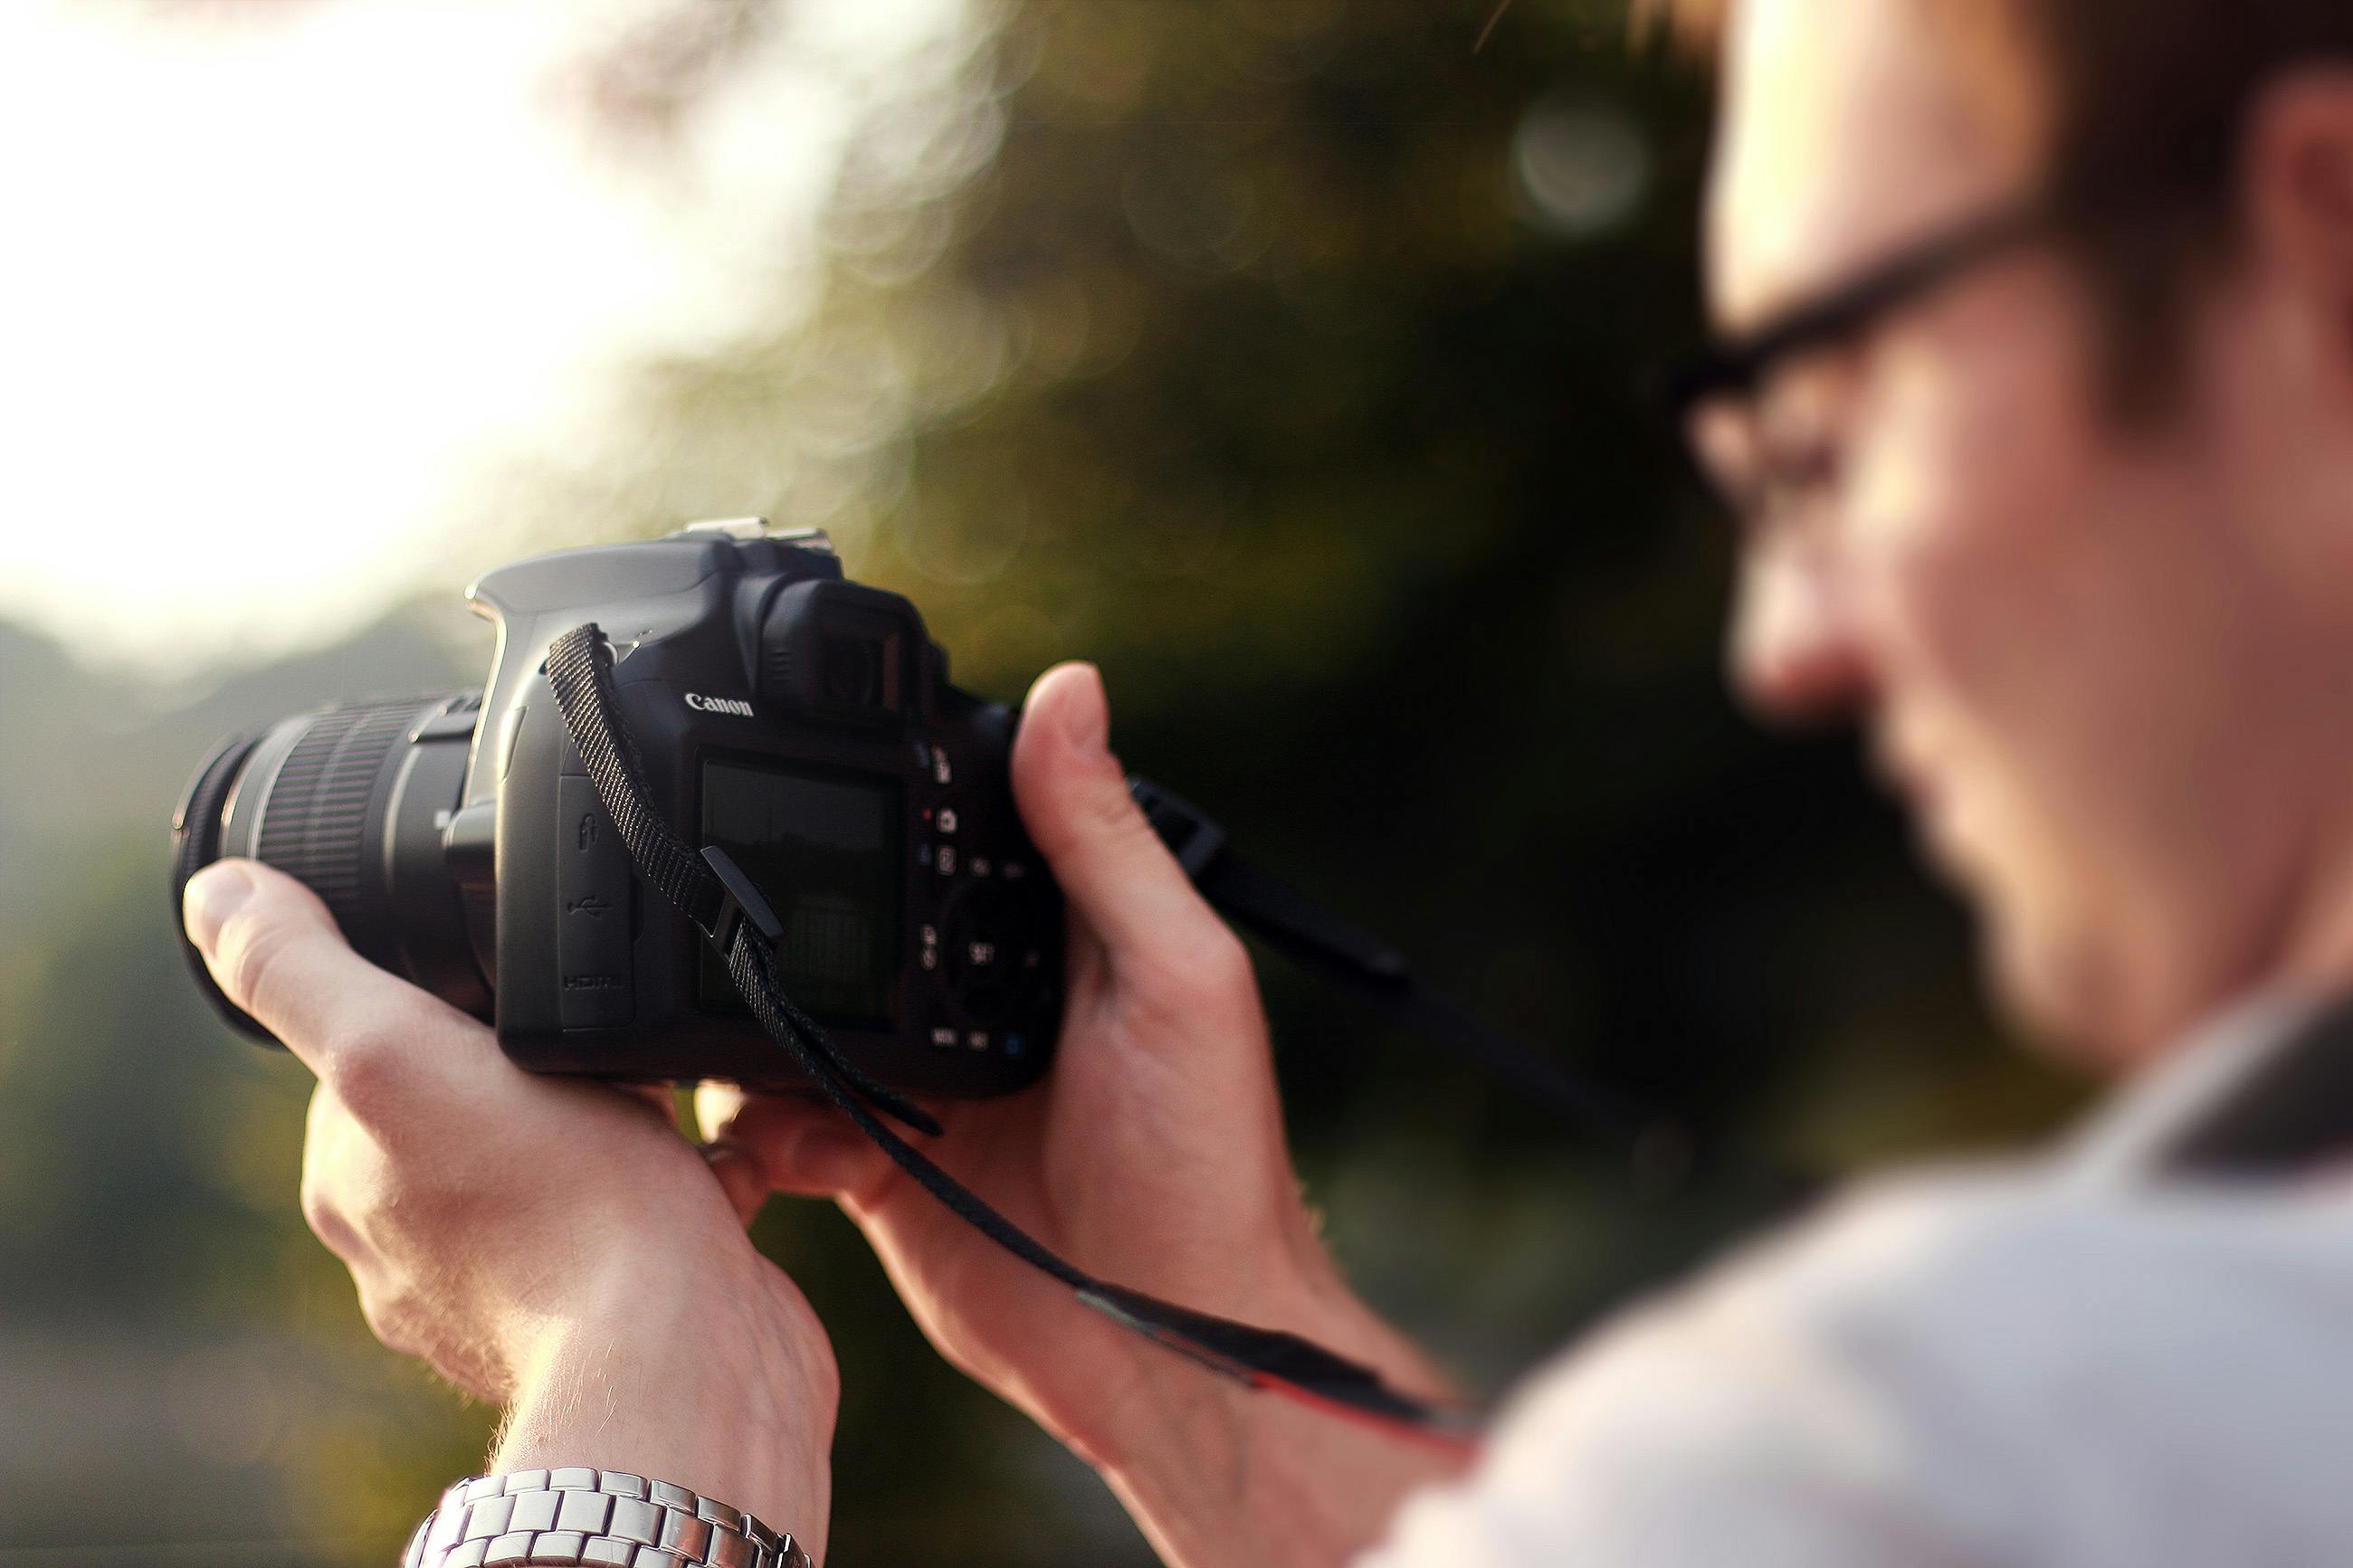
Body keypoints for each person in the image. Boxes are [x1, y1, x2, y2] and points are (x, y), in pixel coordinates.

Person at [179, 0, 2353, 1562]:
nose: (1791, 640)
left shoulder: (1985, 1438)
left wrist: (635, 1380)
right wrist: (1187, 1352)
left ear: (2322, 251)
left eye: (1817, 427)